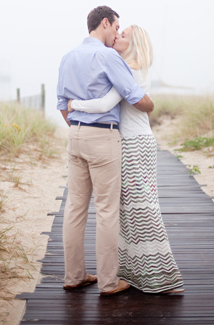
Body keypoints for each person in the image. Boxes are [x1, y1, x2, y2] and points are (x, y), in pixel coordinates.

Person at [68, 25, 184, 294]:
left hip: (133, 144)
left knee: (141, 208)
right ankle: (133, 270)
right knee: (130, 209)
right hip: (134, 141)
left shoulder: (129, 68)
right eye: (118, 32)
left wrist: (74, 105)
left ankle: (163, 276)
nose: (117, 36)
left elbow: (105, 104)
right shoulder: (129, 66)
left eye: (124, 35)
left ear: (134, 44)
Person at [56, 6, 154, 296]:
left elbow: (63, 104)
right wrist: (151, 105)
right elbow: (134, 96)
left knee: (75, 208)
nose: (116, 34)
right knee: (107, 211)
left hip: (75, 136)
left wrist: (78, 127)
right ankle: (108, 282)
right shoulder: (109, 56)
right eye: (115, 27)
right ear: (105, 23)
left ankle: (73, 276)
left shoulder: (68, 56)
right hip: (103, 138)